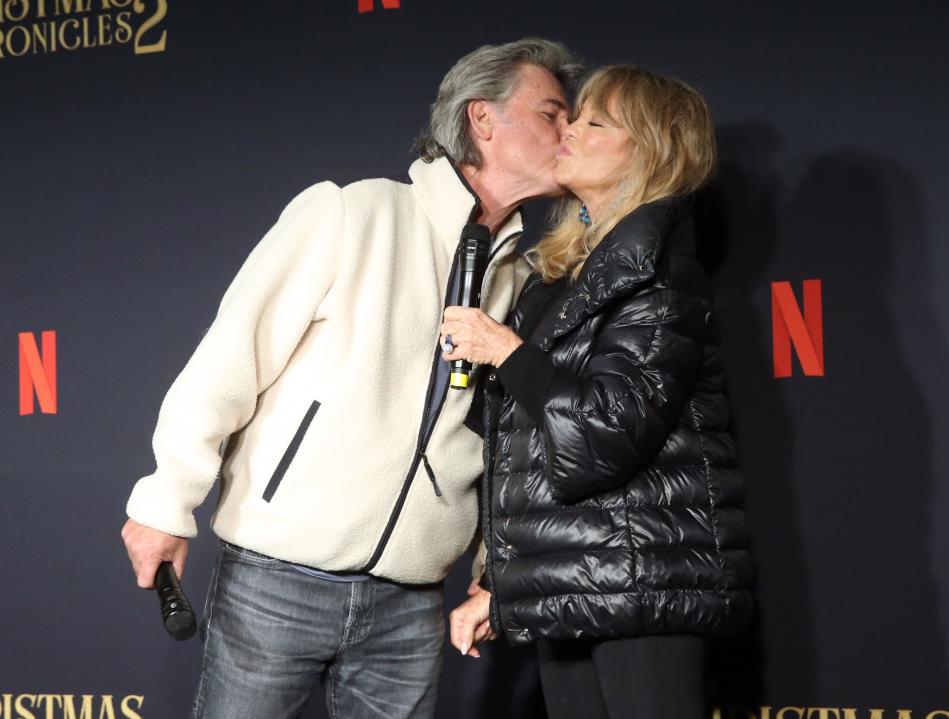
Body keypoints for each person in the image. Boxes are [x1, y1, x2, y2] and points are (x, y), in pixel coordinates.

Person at [120, 38, 580, 719]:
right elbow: (229, 357)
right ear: (483, 120)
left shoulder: (520, 278)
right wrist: (163, 501)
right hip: (277, 578)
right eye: (550, 113)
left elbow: (503, 445)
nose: (567, 132)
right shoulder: (352, 213)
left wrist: (491, 567)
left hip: (413, 598)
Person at [442, 65, 753, 718]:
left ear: (649, 151)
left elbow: (599, 435)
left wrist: (504, 349)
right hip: (573, 591)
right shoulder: (560, 278)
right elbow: (529, 452)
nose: (569, 130)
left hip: (645, 595)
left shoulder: (662, 275)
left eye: (594, 121)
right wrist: (499, 583)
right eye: (571, 114)